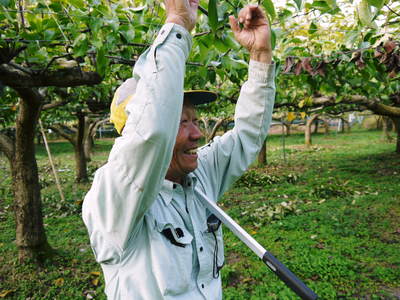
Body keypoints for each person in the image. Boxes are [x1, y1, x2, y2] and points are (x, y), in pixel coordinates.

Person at [82, 0, 276, 299]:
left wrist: (260, 56)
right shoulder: (115, 196)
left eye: (195, 121)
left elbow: (248, 134)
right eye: (180, 121)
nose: (197, 133)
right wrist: (178, 23)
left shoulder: (199, 176)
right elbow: (153, 132)